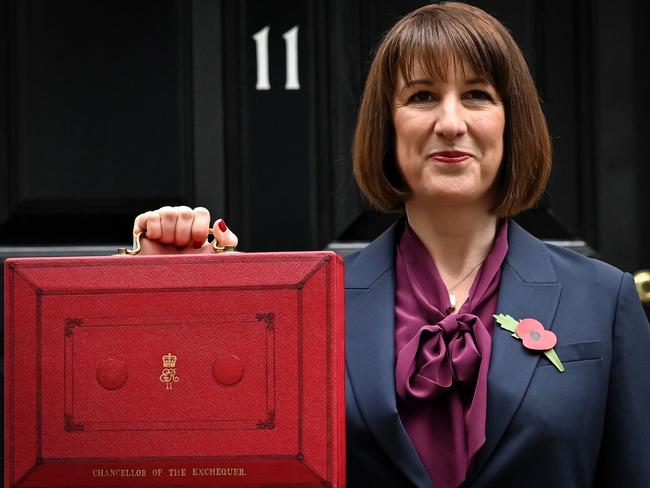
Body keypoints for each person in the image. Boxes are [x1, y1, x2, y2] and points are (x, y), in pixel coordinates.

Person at [133, 2, 650, 487]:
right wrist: (185, 299)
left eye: (477, 95)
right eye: (422, 96)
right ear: (387, 125)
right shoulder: (306, 306)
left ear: (512, 123)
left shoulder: (604, 299)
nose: (450, 123)